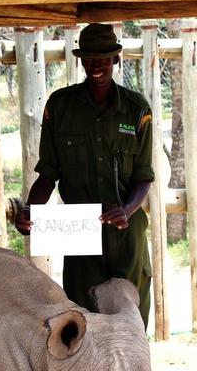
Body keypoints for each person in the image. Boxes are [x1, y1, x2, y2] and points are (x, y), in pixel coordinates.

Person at [15, 23, 154, 328]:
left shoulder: (136, 110)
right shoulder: (60, 107)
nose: (96, 65)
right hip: (80, 238)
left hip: (126, 235)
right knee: (84, 327)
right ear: (80, 59)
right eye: (89, 58)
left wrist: (127, 210)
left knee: (130, 327)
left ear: (115, 59)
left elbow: (144, 176)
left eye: (103, 58)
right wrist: (30, 213)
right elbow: (47, 175)